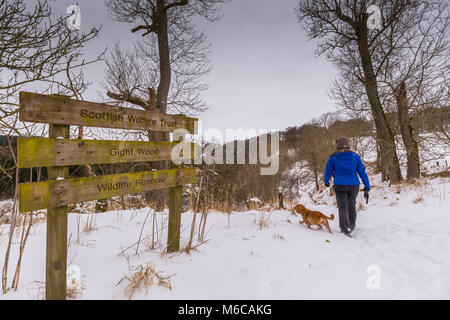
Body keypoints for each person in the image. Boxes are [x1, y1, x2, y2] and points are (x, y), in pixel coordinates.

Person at [324, 137, 370, 237]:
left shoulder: (333, 157)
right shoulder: (355, 157)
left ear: (338, 147)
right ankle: (352, 226)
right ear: (348, 146)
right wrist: (367, 186)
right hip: (354, 185)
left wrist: (326, 181)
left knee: (342, 207)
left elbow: (328, 171)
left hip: (340, 185)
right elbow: (362, 172)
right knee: (351, 205)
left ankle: (345, 229)